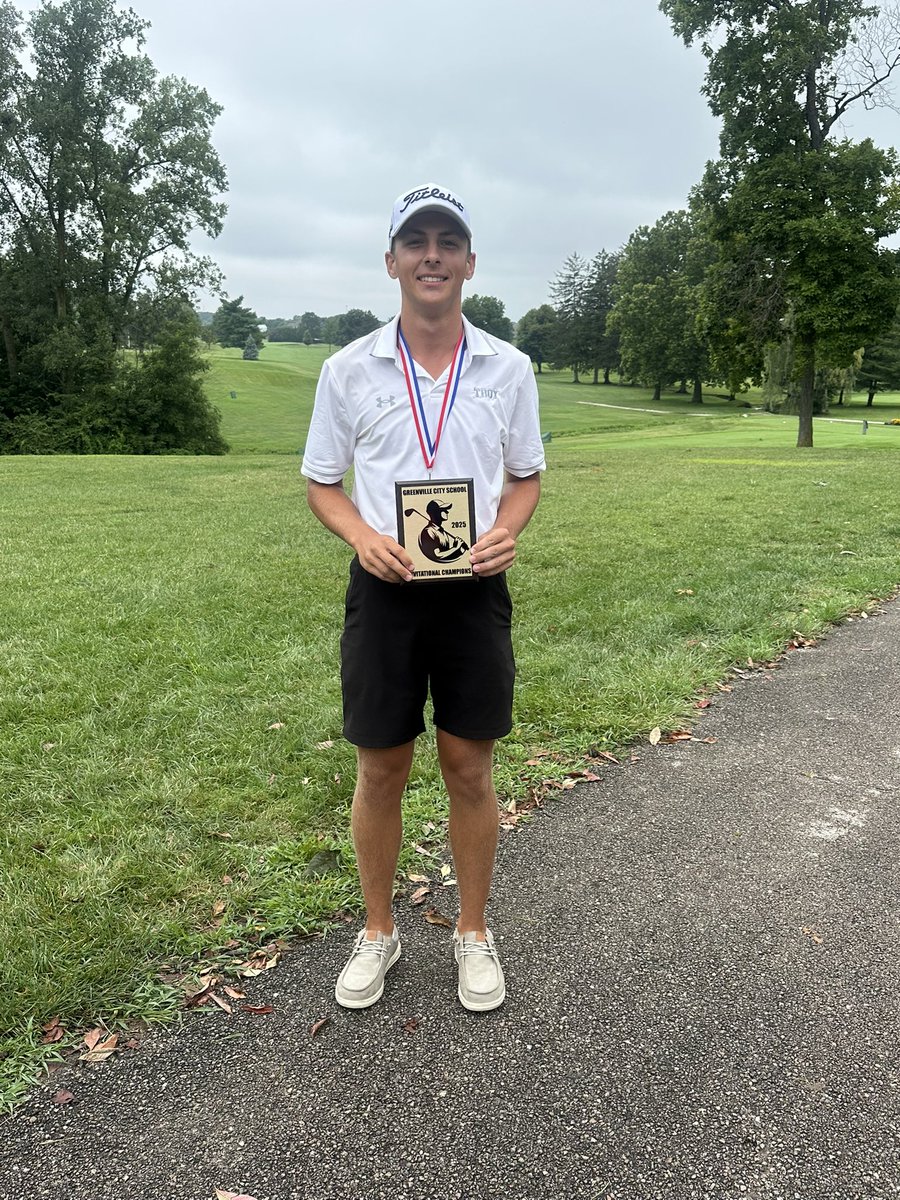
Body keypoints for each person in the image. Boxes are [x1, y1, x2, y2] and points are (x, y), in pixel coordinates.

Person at [301, 182, 545, 1012]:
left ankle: (472, 932)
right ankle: (379, 932)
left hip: (474, 591)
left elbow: (526, 476)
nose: (432, 255)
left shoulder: (508, 367)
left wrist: (510, 528)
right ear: (393, 261)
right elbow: (322, 484)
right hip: (386, 593)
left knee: (469, 768)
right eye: (417, 242)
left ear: (470, 262)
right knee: (381, 768)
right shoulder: (348, 370)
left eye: (447, 242)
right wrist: (361, 536)